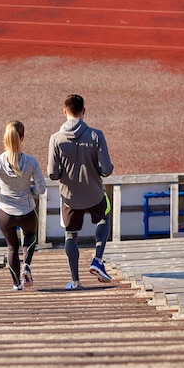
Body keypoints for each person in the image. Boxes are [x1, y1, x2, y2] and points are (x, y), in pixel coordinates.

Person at [47, 94, 114, 290]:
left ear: (64, 112)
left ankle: (75, 281)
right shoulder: (96, 135)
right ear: (83, 111)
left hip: (69, 198)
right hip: (94, 193)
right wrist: (100, 171)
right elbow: (107, 169)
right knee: (104, 217)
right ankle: (97, 259)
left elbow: (52, 173)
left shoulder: (55, 139)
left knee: (70, 235)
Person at [0, 120, 47, 290]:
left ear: (5, 138)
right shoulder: (31, 161)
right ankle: (27, 265)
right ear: (22, 137)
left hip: (5, 212)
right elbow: (41, 188)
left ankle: (17, 284)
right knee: (30, 237)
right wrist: (29, 191)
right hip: (26, 211)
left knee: (11, 247)